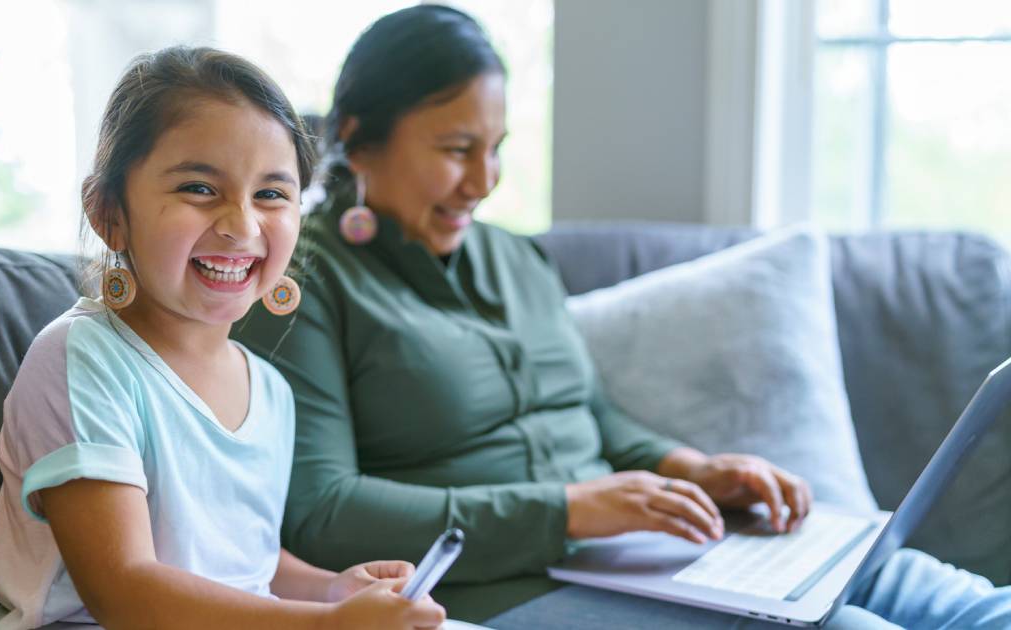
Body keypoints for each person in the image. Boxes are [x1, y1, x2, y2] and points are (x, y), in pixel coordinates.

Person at [232, 6, 1011, 628]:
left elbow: (591, 414)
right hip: (498, 593)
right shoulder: (303, 283)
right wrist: (571, 510)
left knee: (966, 602)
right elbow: (323, 512)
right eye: (457, 147)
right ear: (359, 139)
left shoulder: (516, 260)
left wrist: (687, 467)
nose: (483, 181)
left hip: (645, 556)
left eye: (497, 148)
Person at [0, 46, 446, 630]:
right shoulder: (84, 359)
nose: (241, 226)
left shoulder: (270, 390)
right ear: (108, 213)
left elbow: (245, 567)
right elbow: (123, 589)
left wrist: (334, 590)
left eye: (272, 194)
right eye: (200, 188)